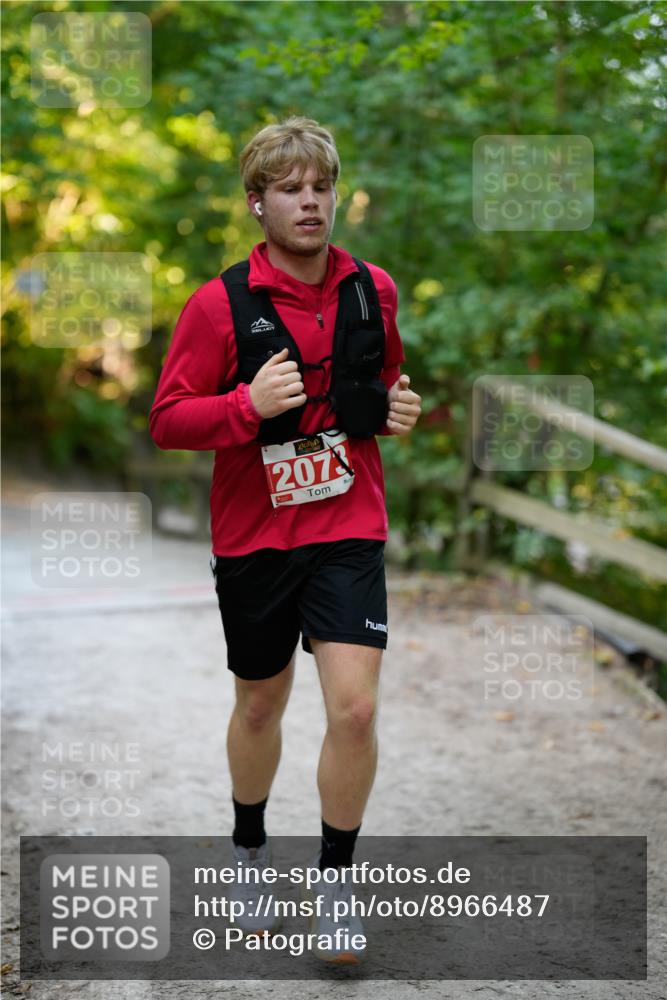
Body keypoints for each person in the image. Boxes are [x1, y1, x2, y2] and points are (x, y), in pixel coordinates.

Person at [149, 116, 421, 963]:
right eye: (290, 189)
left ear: (335, 194)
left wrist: (397, 409)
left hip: (347, 523)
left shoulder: (372, 288)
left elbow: (377, 383)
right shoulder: (218, 303)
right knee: (260, 704)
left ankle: (336, 891)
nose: (309, 202)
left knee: (357, 708)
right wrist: (245, 408)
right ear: (257, 203)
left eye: (320, 187)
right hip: (255, 534)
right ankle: (248, 854)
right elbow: (167, 419)